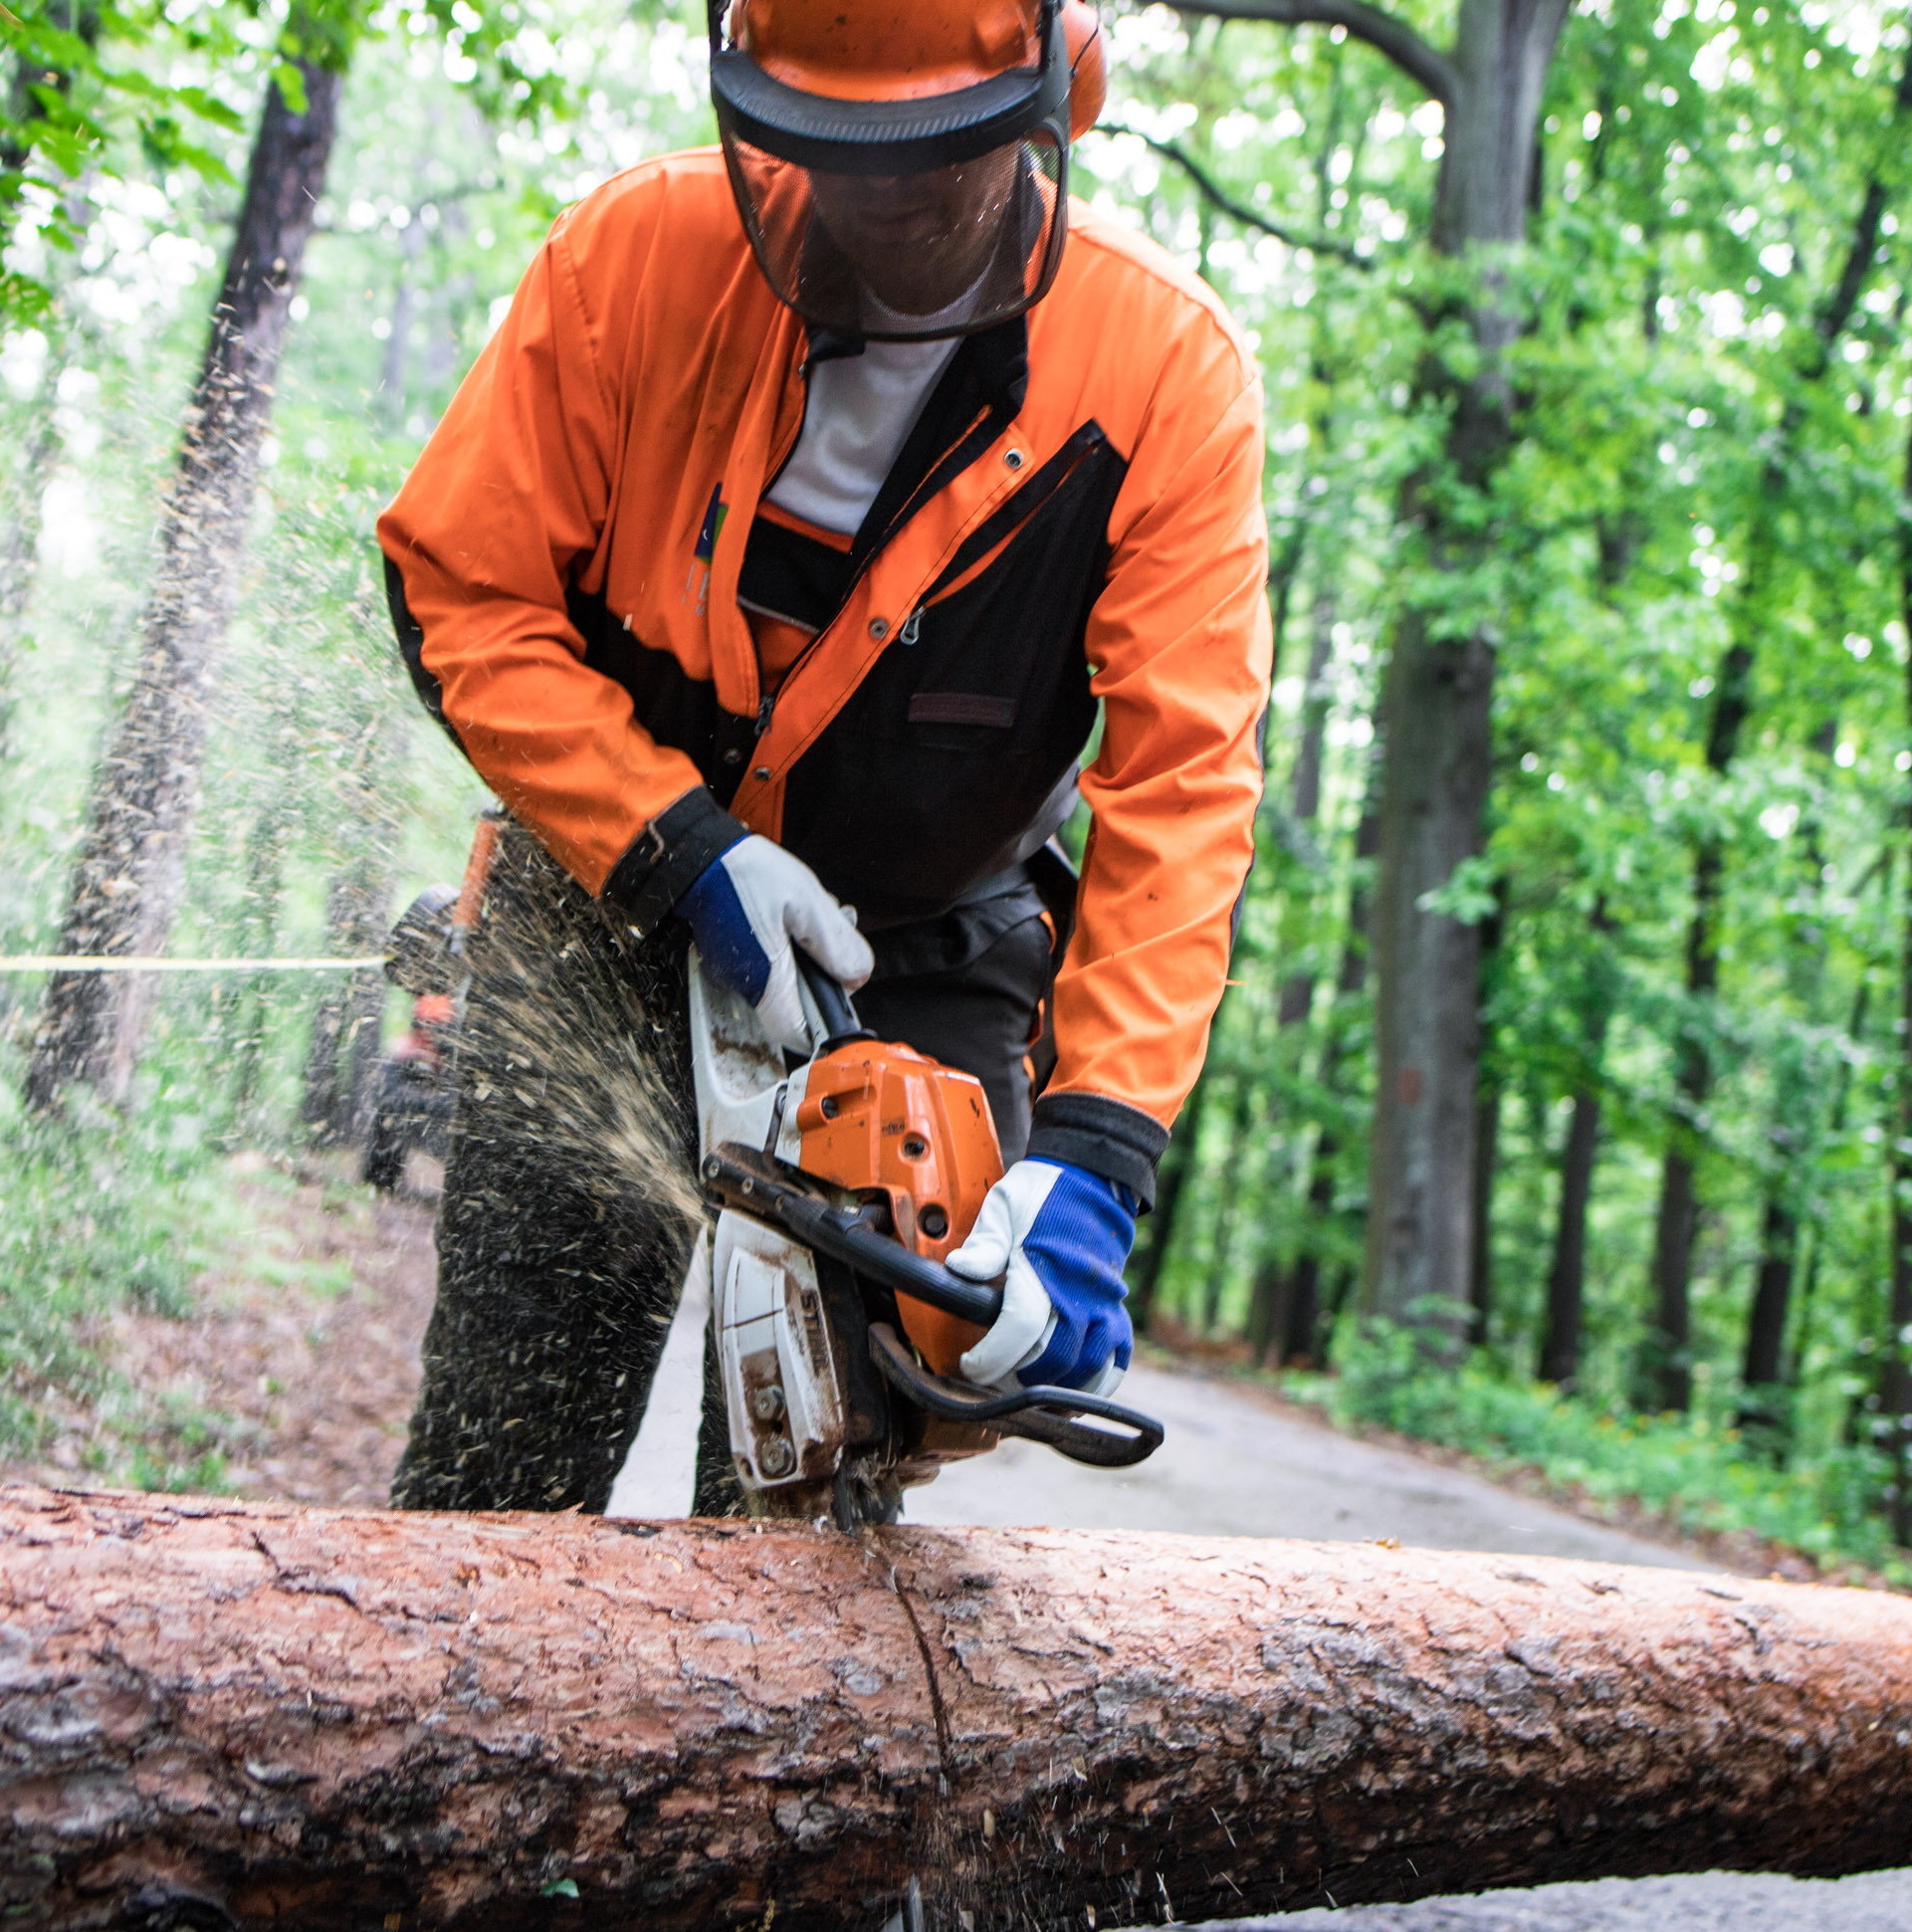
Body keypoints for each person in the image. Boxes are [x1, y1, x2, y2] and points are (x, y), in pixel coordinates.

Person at [374, 0, 1267, 1515]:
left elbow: (1182, 788)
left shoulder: (1161, 373)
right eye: (840, 152)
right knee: (506, 1444)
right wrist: (674, 841)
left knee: (816, 1500)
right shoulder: (636, 261)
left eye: (936, 155)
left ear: (1053, 96)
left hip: (919, 947)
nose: (889, 198)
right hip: (613, 893)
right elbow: (462, 583)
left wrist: (1097, 1151)